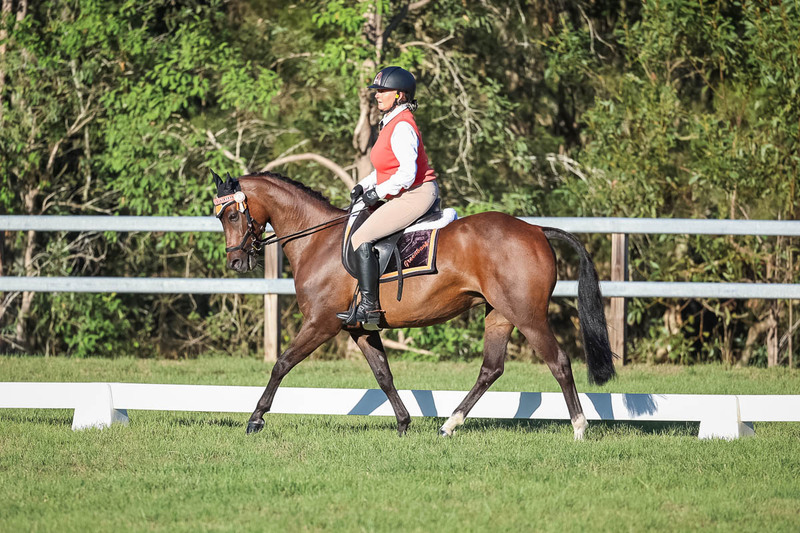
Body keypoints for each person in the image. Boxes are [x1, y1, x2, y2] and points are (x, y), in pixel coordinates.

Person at [337, 66, 439, 328]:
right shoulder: (391, 123)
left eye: (383, 90)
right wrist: (363, 186)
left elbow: (407, 174)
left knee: (361, 237)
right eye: (377, 90)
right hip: (405, 193)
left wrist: (377, 193)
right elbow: (386, 168)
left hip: (416, 194)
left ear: (399, 95)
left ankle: (369, 308)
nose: (377, 95)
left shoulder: (402, 126)